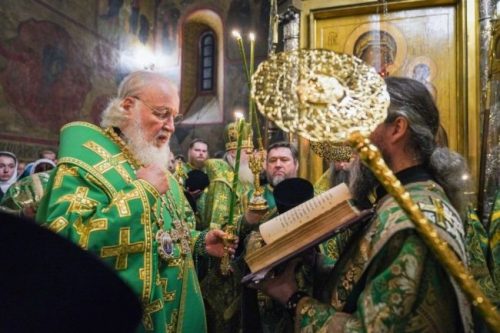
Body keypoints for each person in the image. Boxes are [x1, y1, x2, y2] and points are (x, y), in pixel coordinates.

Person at [256, 77, 473, 332]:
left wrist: (293, 299)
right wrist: (315, 263)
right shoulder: (401, 199)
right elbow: (369, 285)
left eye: (362, 123)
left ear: (397, 128)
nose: (350, 139)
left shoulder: (413, 221)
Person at [36, 71, 234, 333]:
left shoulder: (159, 171)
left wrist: (199, 242)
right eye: (162, 113)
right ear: (128, 106)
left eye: (174, 117)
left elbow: (168, 236)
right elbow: (65, 244)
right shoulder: (85, 164)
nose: (171, 127)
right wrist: (143, 192)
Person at [196, 120, 255, 333]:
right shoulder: (223, 181)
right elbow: (218, 223)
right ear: (234, 155)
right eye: (247, 153)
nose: (251, 157)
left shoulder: (247, 178)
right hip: (225, 259)